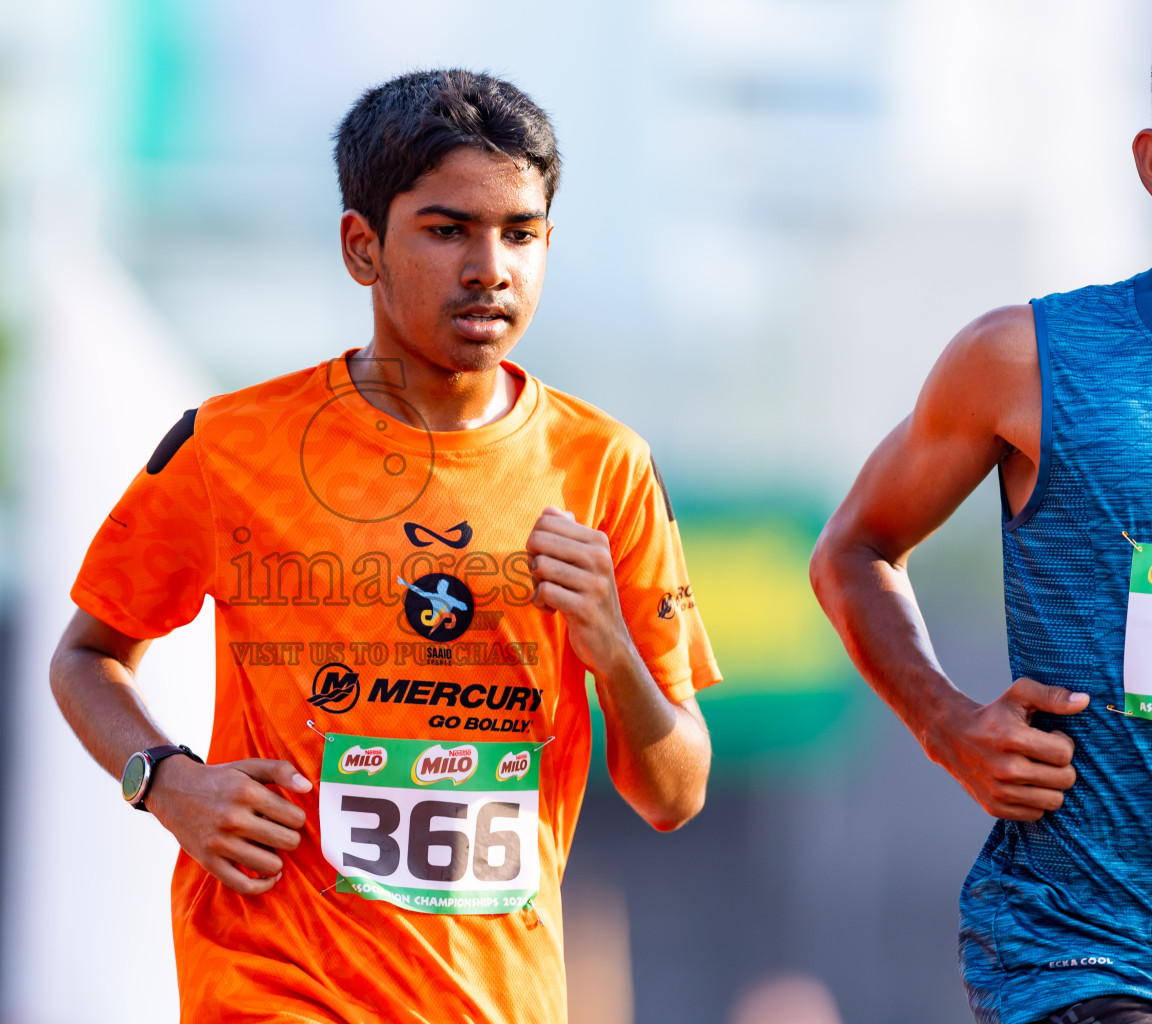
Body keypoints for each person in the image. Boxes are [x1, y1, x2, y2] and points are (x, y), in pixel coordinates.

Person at [50, 69, 721, 1023]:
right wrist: (166, 782)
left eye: (520, 233)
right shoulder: (232, 446)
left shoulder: (604, 467)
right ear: (362, 246)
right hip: (270, 983)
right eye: (448, 231)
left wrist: (611, 645)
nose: (490, 266)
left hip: (492, 997)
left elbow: (674, 793)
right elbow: (86, 656)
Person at [810, 125, 1152, 1024]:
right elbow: (855, 548)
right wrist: (946, 722)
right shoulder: (1024, 359)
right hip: (1089, 950)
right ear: (1151, 163)